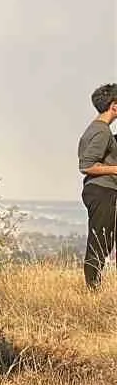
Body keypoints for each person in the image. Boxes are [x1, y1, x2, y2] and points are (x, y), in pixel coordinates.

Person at [78, 84, 117, 288]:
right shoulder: (102, 132)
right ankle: (92, 289)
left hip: (99, 190)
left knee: (104, 239)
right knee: (100, 241)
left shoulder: (98, 129)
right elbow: (86, 165)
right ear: (114, 106)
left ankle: (94, 285)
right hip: (102, 190)